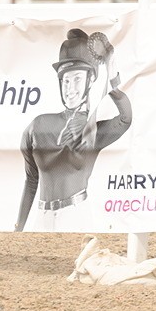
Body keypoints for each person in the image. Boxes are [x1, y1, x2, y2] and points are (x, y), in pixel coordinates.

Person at [14, 29, 132, 231]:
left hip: (76, 216)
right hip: (42, 218)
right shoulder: (37, 125)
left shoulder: (93, 130)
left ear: (90, 80)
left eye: (77, 79)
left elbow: (125, 118)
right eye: (65, 80)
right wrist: (19, 227)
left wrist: (112, 76)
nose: (70, 88)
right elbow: (32, 179)